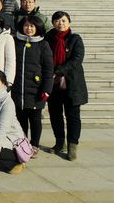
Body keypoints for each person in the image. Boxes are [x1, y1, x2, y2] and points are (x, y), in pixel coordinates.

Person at [45, 11, 87, 161]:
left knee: (73, 116)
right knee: (55, 115)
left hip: (72, 84)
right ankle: (59, 143)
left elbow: (77, 59)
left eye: (63, 21)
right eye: (57, 21)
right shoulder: (48, 38)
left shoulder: (75, 39)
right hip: (53, 84)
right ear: (53, 23)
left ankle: (72, 146)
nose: (60, 23)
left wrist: (58, 70)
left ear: (69, 22)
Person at [12, 15, 54, 156]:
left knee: (35, 119)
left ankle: (34, 144)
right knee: (20, 119)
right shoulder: (16, 41)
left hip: (36, 89)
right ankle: (23, 144)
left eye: (32, 26)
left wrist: (47, 89)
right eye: (26, 26)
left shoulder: (43, 44)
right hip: (18, 88)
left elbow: (48, 69)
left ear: (37, 28)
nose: (28, 29)